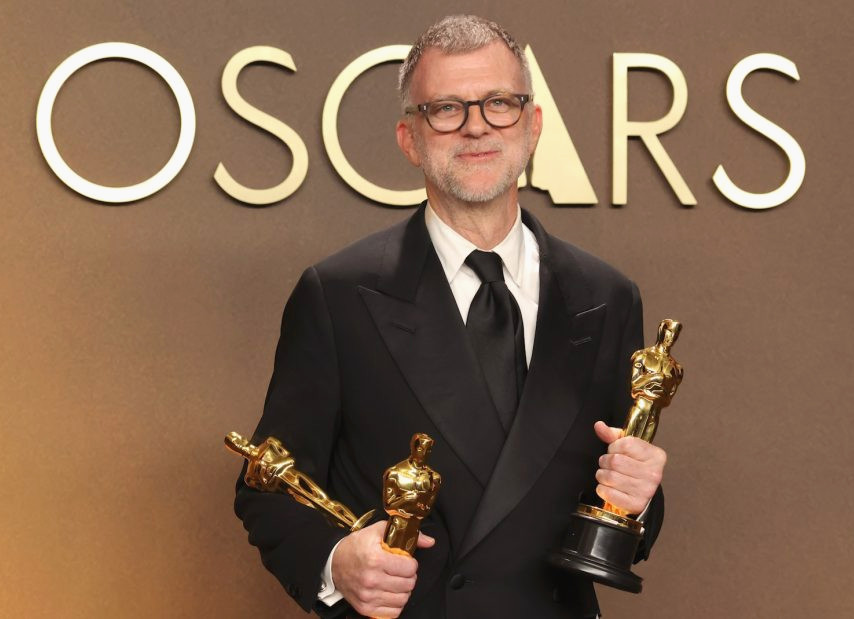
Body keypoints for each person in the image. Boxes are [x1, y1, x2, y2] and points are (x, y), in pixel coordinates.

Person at [234, 15, 667, 618]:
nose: (476, 126)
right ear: (409, 138)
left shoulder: (606, 296)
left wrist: (641, 497)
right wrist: (337, 564)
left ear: (533, 125)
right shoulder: (337, 295)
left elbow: (615, 502)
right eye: (445, 109)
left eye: (499, 103)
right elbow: (267, 484)